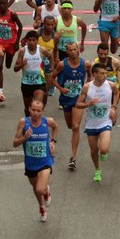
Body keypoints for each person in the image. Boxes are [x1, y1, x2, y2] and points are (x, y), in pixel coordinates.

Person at [12, 100, 57, 222]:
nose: (36, 113)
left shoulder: (47, 121)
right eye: (34, 110)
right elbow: (15, 143)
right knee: (35, 187)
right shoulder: (23, 122)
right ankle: (41, 207)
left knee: (39, 188)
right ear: (29, 109)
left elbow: (55, 127)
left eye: (39, 111)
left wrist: (53, 141)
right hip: (31, 164)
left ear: (42, 112)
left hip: (45, 161)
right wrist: (24, 137)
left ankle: (46, 191)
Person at [50, 42, 90, 170]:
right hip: (66, 99)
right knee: (69, 125)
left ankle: (73, 157)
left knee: (75, 126)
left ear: (78, 50)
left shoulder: (85, 64)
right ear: (67, 52)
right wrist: (61, 89)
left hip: (78, 100)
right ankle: (73, 155)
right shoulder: (62, 65)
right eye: (70, 50)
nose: (73, 52)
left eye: (75, 49)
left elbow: (90, 75)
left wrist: (87, 86)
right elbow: (51, 78)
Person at [76, 62, 117, 183]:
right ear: (95, 74)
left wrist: (114, 107)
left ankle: (104, 152)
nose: (105, 76)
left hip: (105, 121)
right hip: (91, 123)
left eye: (105, 73)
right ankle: (97, 169)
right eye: (102, 73)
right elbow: (78, 104)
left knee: (103, 149)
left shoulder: (111, 85)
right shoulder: (87, 87)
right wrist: (88, 104)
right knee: (94, 150)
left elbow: (117, 93)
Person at [14, 31, 53, 116]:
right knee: (28, 110)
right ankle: (28, 124)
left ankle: (37, 125)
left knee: (37, 106)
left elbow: (50, 56)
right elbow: (15, 69)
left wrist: (50, 69)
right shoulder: (22, 51)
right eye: (29, 40)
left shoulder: (42, 50)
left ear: (37, 41)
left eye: (34, 40)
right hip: (26, 83)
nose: (31, 42)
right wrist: (22, 64)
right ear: (26, 41)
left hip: (39, 83)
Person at [0, 0, 24, 91]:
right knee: (0, 66)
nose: (2, 5)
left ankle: (10, 57)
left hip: (11, 43)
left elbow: (20, 27)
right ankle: (0, 89)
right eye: (0, 3)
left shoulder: (12, 15)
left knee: (8, 65)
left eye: (4, 3)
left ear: (7, 4)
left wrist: (17, 42)